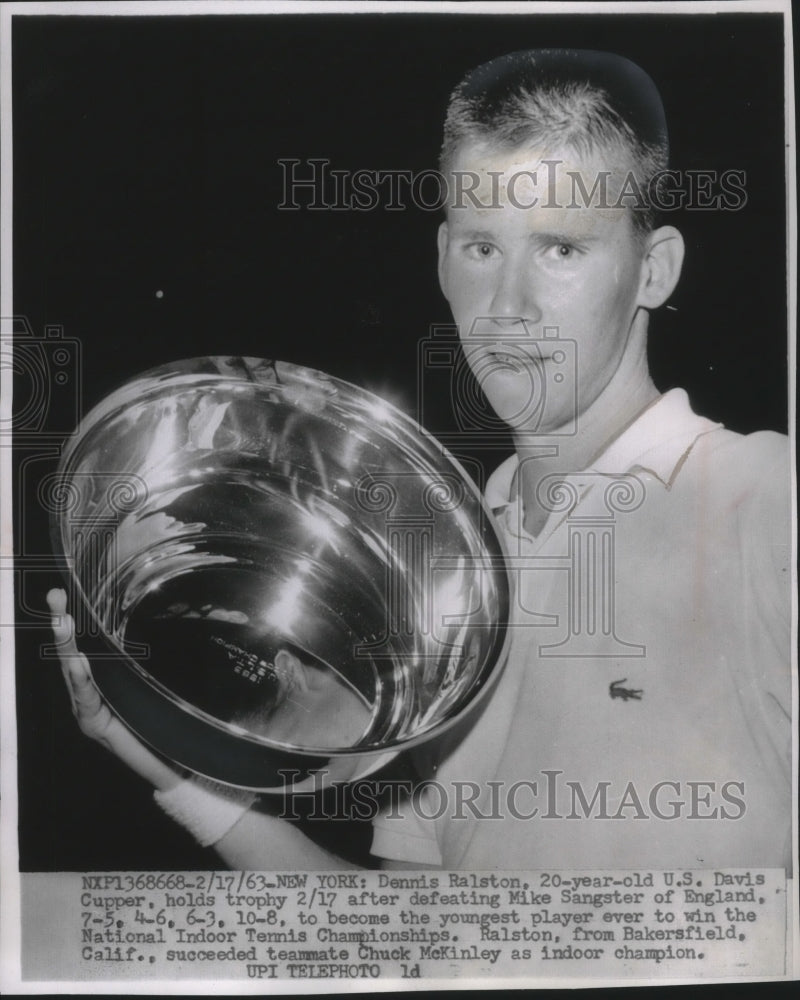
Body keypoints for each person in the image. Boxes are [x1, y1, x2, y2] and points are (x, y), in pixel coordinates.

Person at [47, 49, 791, 871]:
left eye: (562, 250)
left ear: (653, 269)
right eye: (482, 249)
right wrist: (185, 781)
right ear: (443, 259)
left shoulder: (760, 502)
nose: (510, 308)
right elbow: (412, 940)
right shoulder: (445, 584)